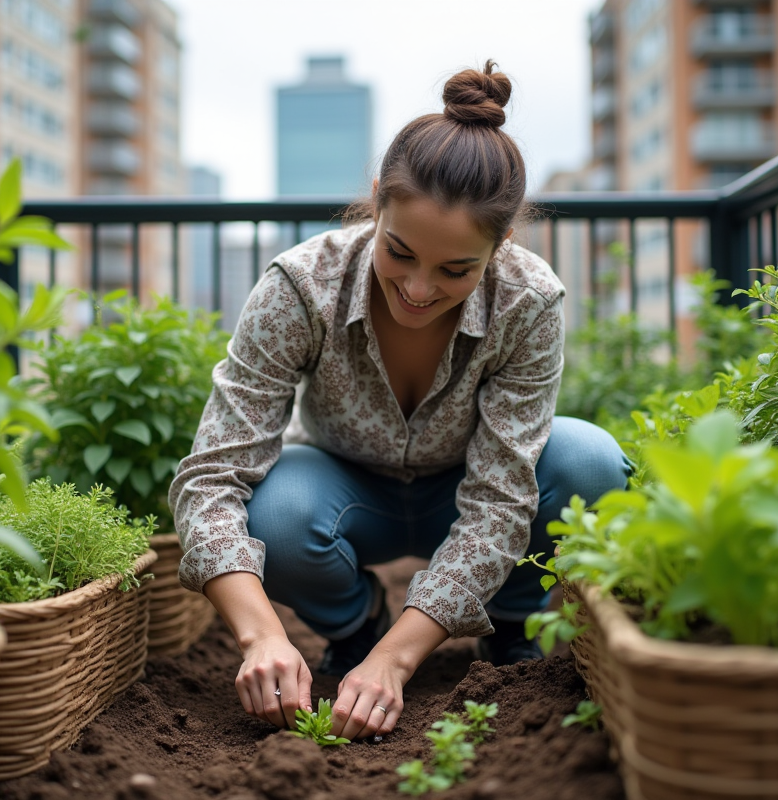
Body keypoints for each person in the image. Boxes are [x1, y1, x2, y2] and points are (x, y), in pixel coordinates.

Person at [169, 61, 630, 745]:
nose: (418, 289)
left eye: (456, 270)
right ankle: (356, 627)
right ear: (378, 200)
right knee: (281, 517)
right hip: (347, 490)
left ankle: (510, 621)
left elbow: (504, 498)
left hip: (468, 490)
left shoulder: (530, 300)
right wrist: (261, 634)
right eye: (400, 251)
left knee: (590, 462)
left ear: (499, 245)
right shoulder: (301, 288)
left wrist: (398, 665)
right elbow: (211, 477)